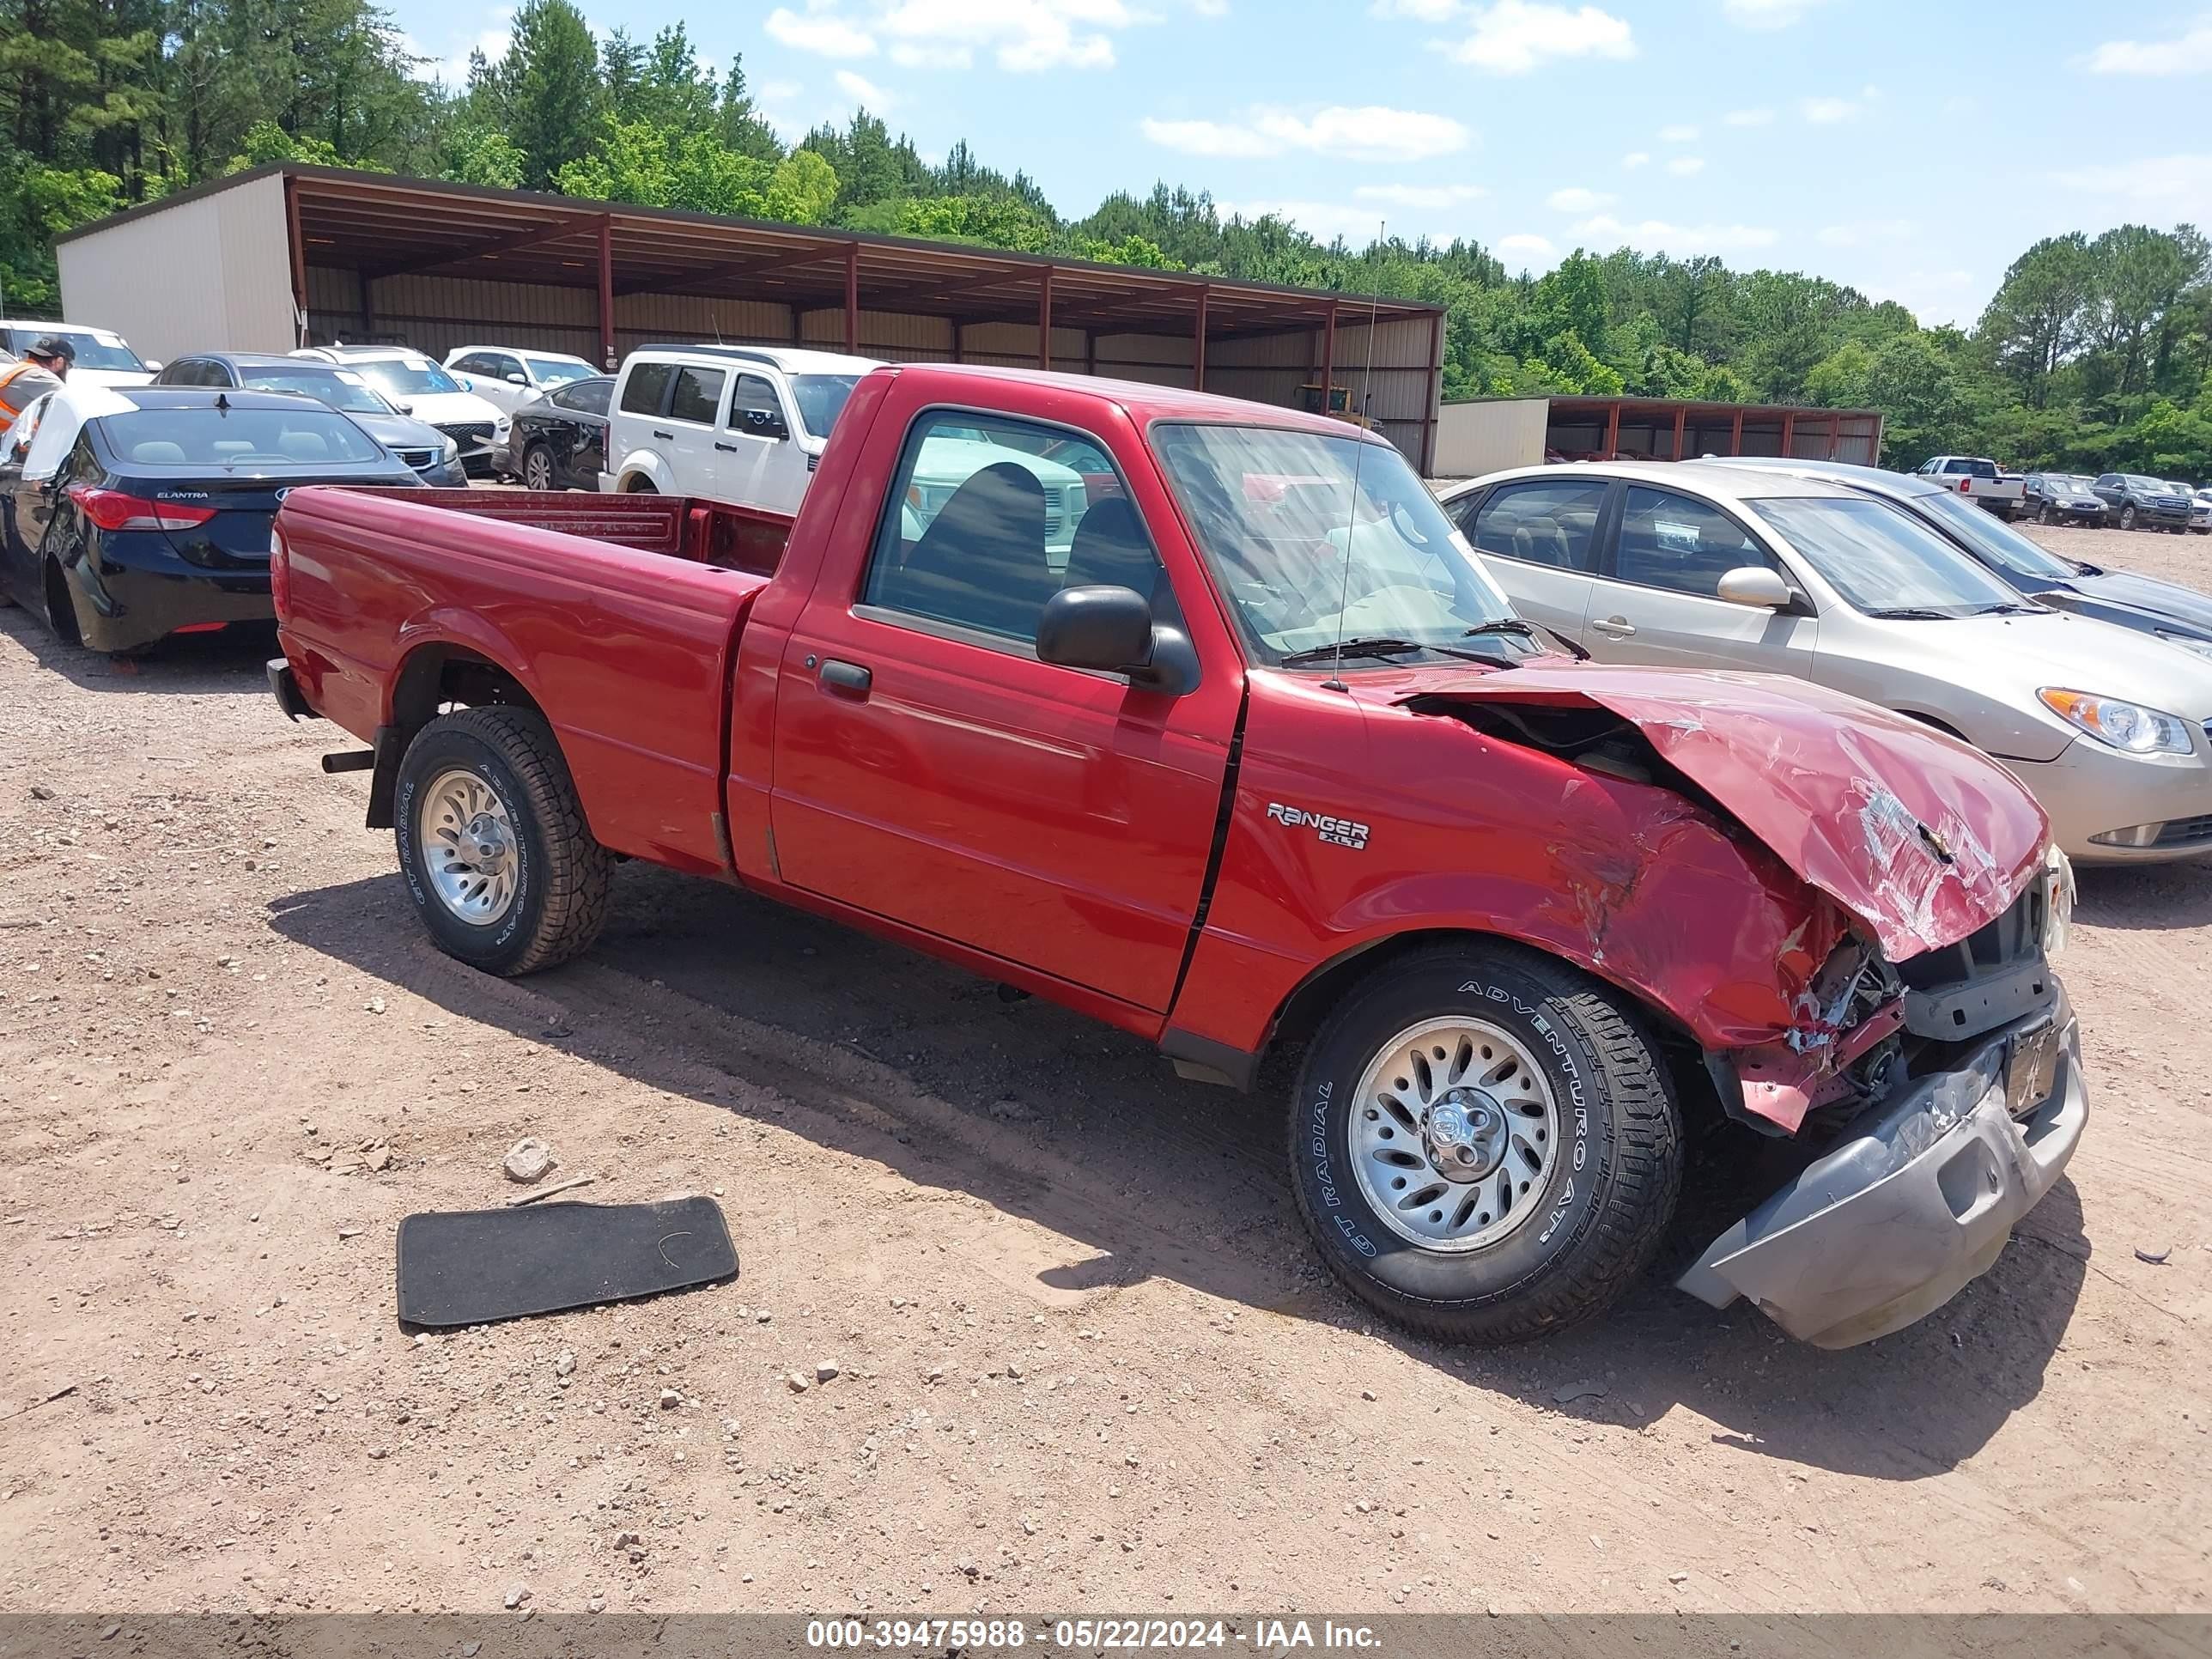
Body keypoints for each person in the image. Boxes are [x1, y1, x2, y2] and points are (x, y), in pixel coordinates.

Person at [0, 335, 71, 436]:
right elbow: (72, 402)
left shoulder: (19, 369)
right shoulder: (38, 375)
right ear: (59, 362)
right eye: (69, 366)